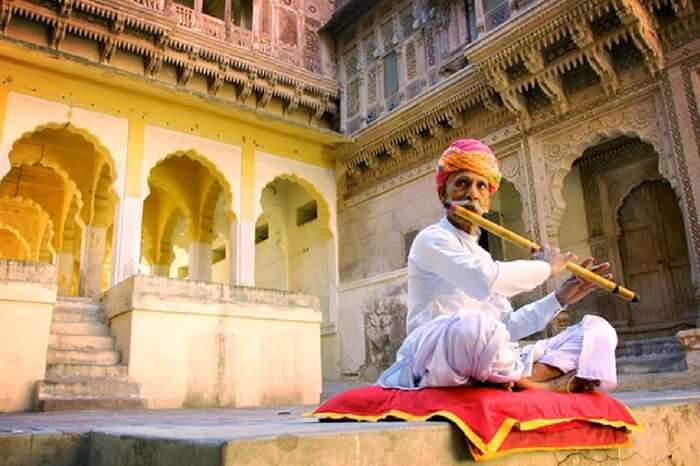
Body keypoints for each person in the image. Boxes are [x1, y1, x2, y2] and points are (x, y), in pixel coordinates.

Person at [377, 139, 618, 393]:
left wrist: (560, 298)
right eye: (462, 183)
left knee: (598, 332)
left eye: (481, 186)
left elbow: (507, 326)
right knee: (472, 327)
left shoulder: (480, 255)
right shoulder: (431, 239)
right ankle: (541, 385)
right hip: (436, 355)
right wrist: (547, 268)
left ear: (487, 200)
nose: (472, 193)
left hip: (489, 354)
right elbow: (484, 280)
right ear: (443, 194)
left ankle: (523, 379)